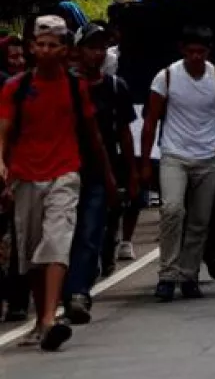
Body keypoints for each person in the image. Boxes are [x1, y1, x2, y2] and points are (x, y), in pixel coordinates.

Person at [0, 16, 116, 351]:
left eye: (54, 45)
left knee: (56, 242)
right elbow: (3, 133)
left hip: (65, 173)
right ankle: (42, 319)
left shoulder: (75, 87)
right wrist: (3, 169)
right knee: (33, 253)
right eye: (41, 44)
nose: (47, 51)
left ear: (65, 49)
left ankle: (50, 319)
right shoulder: (16, 88)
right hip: (25, 176)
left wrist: (108, 177)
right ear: (32, 47)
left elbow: (93, 136)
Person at [141, 26, 215, 301]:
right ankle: (167, 274)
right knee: (172, 210)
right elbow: (151, 121)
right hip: (174, 154)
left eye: (201, 52)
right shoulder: (166, 77)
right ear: (182, 50)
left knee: (200, 220)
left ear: (208, 51)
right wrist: (144, 163)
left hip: (207, 156)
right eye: (191, 51)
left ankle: (189, 274)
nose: (195, 57)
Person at [62, 23, 137, 325]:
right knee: (62, 232)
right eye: (92, 47)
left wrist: (131, 173)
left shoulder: (115, 87)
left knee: (90, 230)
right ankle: (64, 286)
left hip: (98, 170)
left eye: (102, 48)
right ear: (78, 50)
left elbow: (124, 134)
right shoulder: (65, 86)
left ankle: (77, 293)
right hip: (62, 166)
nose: (97, 53)